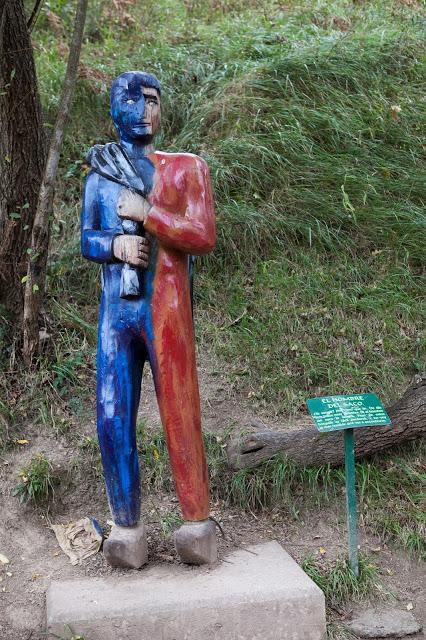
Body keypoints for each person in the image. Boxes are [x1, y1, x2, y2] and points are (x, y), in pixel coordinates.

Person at [81, 71, 217, 567]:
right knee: (113, 415)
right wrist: (115, 243)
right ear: (115, 109)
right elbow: (87, 238)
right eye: (135, 100)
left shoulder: (186, 168)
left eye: (154, 100)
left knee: (180, 410)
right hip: (116, 311)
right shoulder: (100, 174)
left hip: (166, 308)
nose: (146, 110)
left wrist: (149, 213)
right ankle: (126, 526)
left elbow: (201, 235)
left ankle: (196, 523)